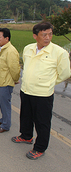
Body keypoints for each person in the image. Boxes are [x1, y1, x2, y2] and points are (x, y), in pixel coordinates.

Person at [12, 22, 71, 160]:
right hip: (26, 90)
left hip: (43, 94)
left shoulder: (59, 52)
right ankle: (26, 136)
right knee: (25, 116)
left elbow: (64, 73)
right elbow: (26, 67)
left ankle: (40, 147)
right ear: (35, 36)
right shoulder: (28, 49)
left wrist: (49, 83)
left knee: (42, 122)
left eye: (50, 34)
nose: (48, 38)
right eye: (44, 35)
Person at [0, 28, 20, 133]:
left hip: (5, 83)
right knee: (1, 103)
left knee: (5, 104)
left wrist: (15, 79)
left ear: (6, 38)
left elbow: (15, 69)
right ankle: (3, 119)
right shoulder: (2, 48)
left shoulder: (10, 51)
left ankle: (5, 125)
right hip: (0, 81)